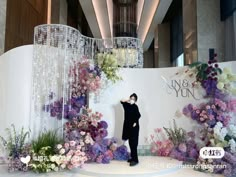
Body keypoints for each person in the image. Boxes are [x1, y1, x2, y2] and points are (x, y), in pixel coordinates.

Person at [120, 93, 141, 166]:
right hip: (127, 127)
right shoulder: (127, 105)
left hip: (134, 127)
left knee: (134, 144)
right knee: (130, 143)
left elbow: (138, 115)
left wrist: (135, 122)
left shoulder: (135, 107)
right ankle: (132, 158)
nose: (132, 100)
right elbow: (121, 101)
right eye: (131, 98)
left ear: (135, 100)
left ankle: (135, 160)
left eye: (133, 99)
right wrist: (128, 100)